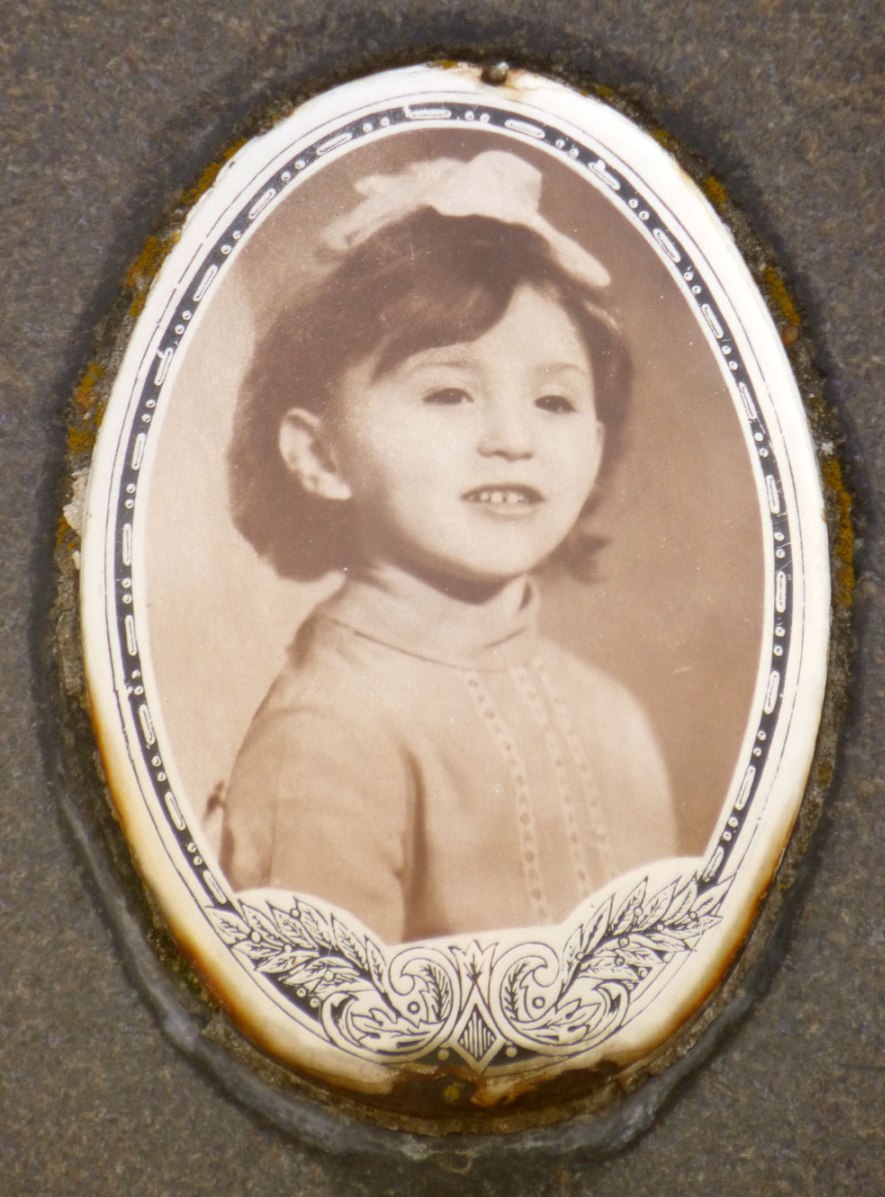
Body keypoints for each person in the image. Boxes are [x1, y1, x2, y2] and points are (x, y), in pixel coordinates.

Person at [215, 150, 676, 944]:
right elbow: (330, 1047)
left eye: (555, 400)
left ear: (596, 443)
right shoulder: (326, 734)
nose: (512, 438)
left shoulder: (617, 718)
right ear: (320, 456)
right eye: (450, 393)